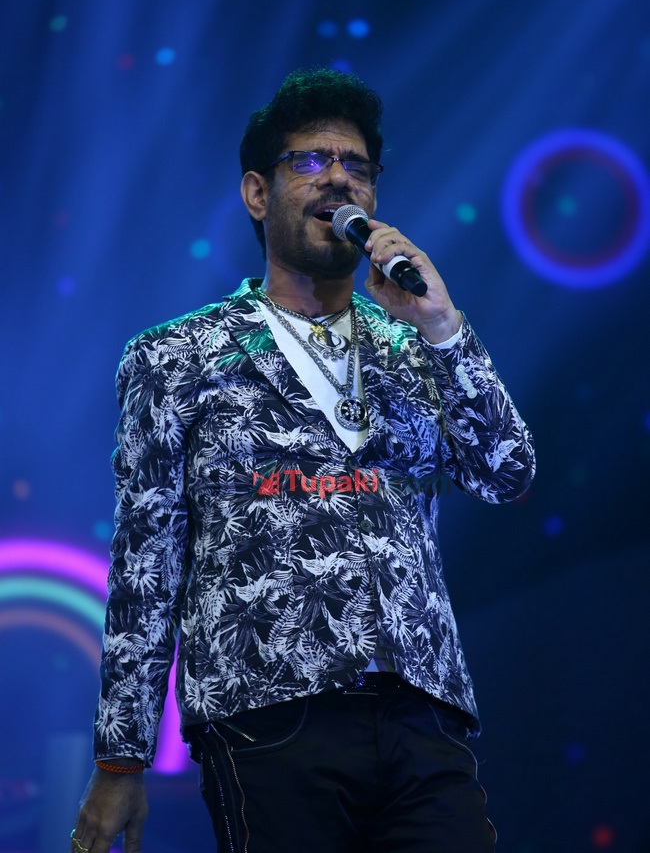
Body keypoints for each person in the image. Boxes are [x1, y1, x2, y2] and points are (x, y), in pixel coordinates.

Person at [70, 67, 535, 853]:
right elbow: (146, 565)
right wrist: (121, 758)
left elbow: (507, 471)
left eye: (357, 166)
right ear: (258, 193)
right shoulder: (177, 357)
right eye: (313, 160)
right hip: (268, 712)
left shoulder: (414, 346)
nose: (339, 178)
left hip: (421, 711)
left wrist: (443, 326)